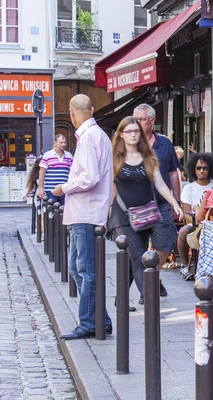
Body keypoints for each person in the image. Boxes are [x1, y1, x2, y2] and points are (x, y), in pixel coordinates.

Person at [53, 94, 113, 340]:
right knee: (77, 269)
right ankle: (102, 319)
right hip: (84, 212)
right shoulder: (96, 136)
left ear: (72, 112)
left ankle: (89, 323)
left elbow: (89, 178)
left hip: (86, 213)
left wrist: (63, 188)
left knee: (85, 270)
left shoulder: (89, 137)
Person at [107, 117, 183, 305]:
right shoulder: (113, 157)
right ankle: (150, 301)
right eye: (129, 131)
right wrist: (104, 211)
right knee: (138, 255)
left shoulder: (148, 156)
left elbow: (160, 184)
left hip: (146, 212)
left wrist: (175, 203)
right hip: (122, 215)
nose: (133, 134)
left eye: (136, 131)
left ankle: (122, 298)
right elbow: (107, 188)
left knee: (137, 258)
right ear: (121, 134)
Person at [133, 104, 180, 293]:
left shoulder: (165, 143)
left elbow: (173, 173)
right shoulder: (129, 142)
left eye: (141, 119)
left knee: (165, 243)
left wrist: (176, 202)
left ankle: (152, 275)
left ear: (152, 120)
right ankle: (147, 288)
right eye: (134, 119)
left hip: (160, 204)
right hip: (135, 205)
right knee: (137, 250)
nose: (136, 123)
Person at [177, 152, 213, 281]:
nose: (202, 171)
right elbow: (186, 212)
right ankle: (184, 266)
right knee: (183, 231)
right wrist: (197, 223)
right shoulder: (188, 188)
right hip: (195, 224)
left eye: (205, 168)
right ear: (193, 169)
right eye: (199, 168)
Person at [38, 134, 73, 205]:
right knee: (52, 212)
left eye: (64, 142)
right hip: (50, 190)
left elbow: (72, 172)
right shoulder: (47, 155)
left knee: (64, 212)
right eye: (61, 142)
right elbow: (42, 173)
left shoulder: (69, 156)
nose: (63, 144)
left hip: (64, 189)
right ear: (55, 143)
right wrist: (41, 189)